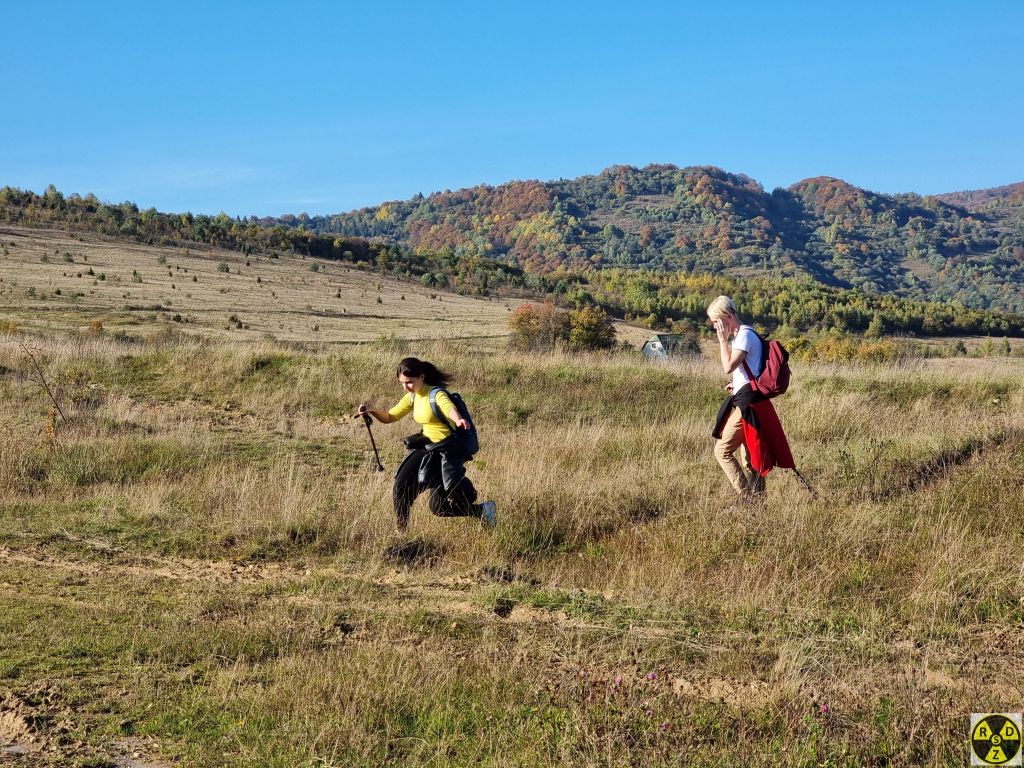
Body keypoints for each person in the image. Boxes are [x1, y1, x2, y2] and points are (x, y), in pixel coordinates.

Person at [357, 357, 496, 533]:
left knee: (438, 507)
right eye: (402, 383)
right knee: (401, 483)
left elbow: (447, 407)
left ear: (421, 377)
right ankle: (402, 532)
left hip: (447, 450)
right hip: (428, 447)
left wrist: (458, 419)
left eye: (409, 382)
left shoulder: (436, 394)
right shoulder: (412, 397)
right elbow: (390, 416)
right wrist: (371, 411)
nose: (406, 387)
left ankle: (482, 509)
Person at [707, 295, 794, 499]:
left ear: (727, 316)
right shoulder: (743, 334)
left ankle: (747, 499)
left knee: (722, 452)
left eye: (715, 322)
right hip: (749, 398)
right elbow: (750, 370)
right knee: (750, 458)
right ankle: (759, 503)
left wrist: (722, 341)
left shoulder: (744, 335)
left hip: (748, 404)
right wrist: (736, 383)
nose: (715, 328)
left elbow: (728, 366)